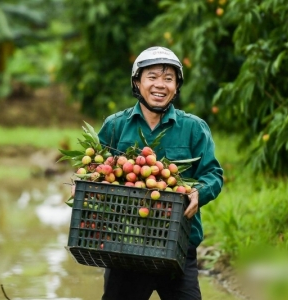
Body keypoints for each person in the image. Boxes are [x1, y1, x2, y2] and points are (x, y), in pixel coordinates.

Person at [97, 46, 224, 300]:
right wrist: (83, 182)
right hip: (125, 247)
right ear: (137, 82)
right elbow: (95, 170)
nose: (160, 85)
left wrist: (199, 192)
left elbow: (213, 174)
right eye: (152, 77)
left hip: (178, 248)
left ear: (176, 86)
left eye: (168, 79)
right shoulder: (115, 126)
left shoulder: (194, 128)